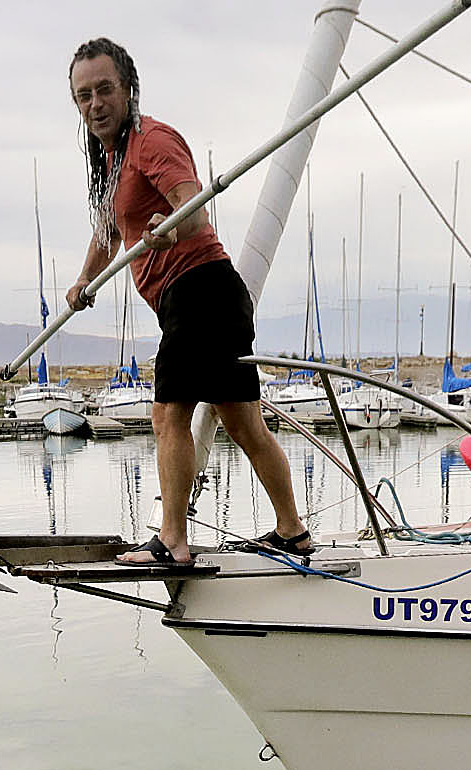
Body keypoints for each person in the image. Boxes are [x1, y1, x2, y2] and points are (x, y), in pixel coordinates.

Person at [63, 37, 311, 571]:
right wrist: (84, 281)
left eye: (105, 90)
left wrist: (168, 229)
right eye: (84, 96)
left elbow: (194, 208)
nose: (95, 104)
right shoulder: (113, 157)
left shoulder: (151, 140)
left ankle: (171, 540)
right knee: (243, 422)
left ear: (128, 89)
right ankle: (291, 529)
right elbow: (110, 230)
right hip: (204, 297)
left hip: (199, 288)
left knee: (168, 415)